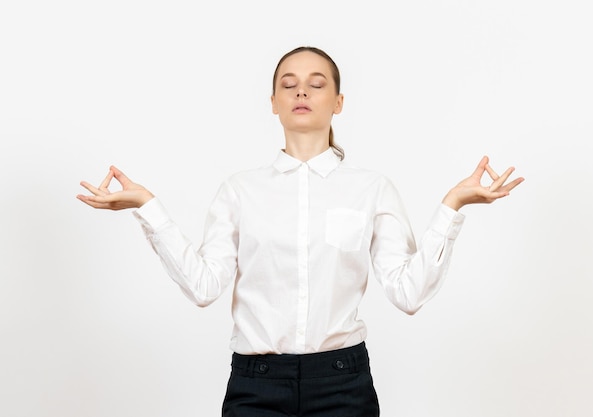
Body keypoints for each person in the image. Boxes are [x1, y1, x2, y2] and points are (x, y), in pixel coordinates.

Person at [77, 46, 524, 417]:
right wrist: (147, 207)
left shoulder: (371, 189)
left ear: (339, 102)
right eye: (288, 85)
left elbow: (408, 293)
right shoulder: (240, 190)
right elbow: (203, 286)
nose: (301, 92)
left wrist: (453, 207)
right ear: (273, 102)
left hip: (343, 385)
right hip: (256, 388)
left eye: (316, 83)